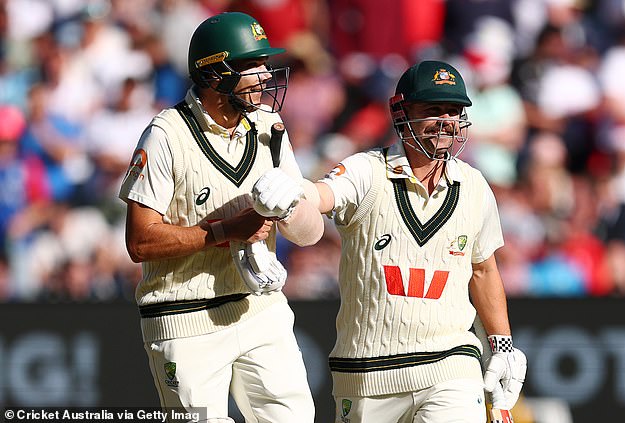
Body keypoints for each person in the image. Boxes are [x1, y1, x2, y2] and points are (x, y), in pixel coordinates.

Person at [118, 12, 324, 423]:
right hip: (184, 314)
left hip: (259, 307)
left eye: (265, 64)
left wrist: (290, 206)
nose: (265, 76)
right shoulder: (166, 134)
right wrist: (228, 231)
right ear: (214, 74)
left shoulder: (270, 125)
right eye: (251, 66)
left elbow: (310, 234)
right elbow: (140, 242)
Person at [315, 60, 526, 422]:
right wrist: (295, 194)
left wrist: (502, 346)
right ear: (401, 112)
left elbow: (483, 269)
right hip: (367, 372)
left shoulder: (474, 184)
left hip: (451, 363)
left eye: (454, 111)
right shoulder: (367, 170)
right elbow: (322, 195)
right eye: (433, 110)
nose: (446, 121)